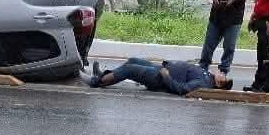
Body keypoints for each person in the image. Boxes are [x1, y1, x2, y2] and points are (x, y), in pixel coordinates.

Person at [78, 58, 233, 96]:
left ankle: (95, 82)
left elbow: (182, 89)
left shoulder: (203, 83)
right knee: (133, 60)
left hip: (158, 78)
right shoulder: (207, 76)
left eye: (223, 77)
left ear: (219, 84)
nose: (222, 73)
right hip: (161, 69)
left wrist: (166, 76)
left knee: (129, 69)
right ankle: (103, 75)